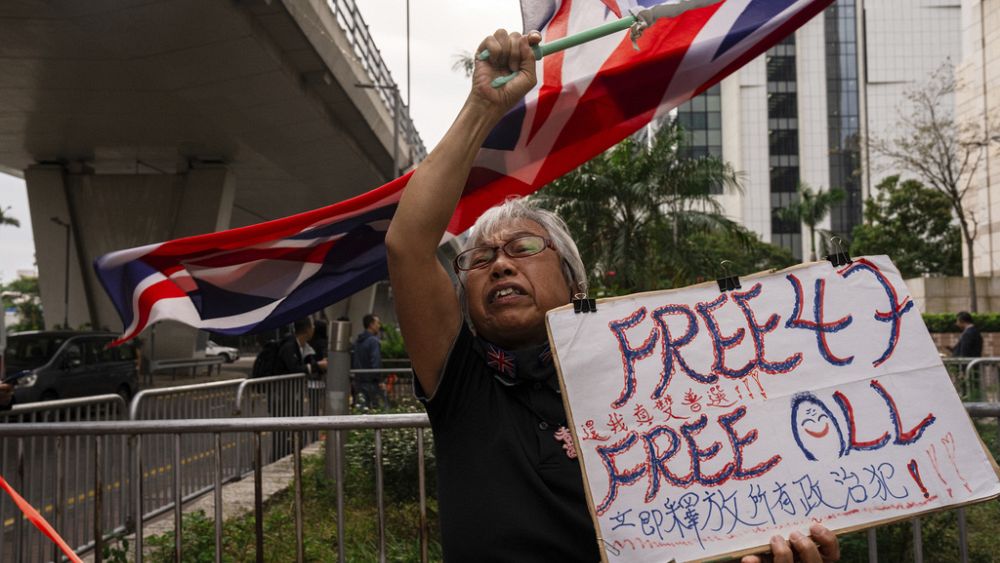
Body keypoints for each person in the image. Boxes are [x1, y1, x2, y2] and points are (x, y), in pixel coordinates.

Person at [385, 29, 840, 563]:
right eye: (480, 260)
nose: (500, 262)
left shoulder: (653, 387)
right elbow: (408, 244)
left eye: (523, 247)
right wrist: (484, 107)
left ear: (577, 285)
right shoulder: (462, 382)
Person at [352, 313, 386, 408]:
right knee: (379, 410)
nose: (379, 326)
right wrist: (379, 380)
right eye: (377, 323)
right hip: (372, 382)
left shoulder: (357, 341)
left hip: (359, 381)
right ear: (371, 325)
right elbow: (376, 361)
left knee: (362, 410)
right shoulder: (373, 341)